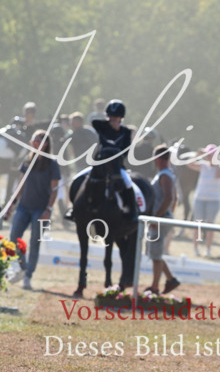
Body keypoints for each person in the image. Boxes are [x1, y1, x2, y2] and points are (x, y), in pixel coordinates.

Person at [8, 130, 60, 290]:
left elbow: (55, 189)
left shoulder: (52, 164)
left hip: (41, 209)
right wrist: (12, 202)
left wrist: (48, 209)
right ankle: (23, 268)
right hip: (24, 206)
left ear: (46, 144)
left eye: (39, 140)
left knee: (34, 242)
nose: (36, 143)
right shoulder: (27, 161)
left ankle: (28, 276)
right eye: (34, 140)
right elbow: (21, 184)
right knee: (14, 238)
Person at [71, 99, 139, 221]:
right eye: (111, 118)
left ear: (121, 118)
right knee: (79, 180)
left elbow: (126, 152)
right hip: (99, 164)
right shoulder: (102, 127)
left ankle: (131, 209)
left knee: (128, 183)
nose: (113, 121)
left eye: (116, 118)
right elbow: (94, 122)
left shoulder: (125, 132)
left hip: (116, 167)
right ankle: (75, 208)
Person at [147, 144, 180, 295]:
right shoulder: (166, 173)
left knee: (156, 254)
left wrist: (156, 217)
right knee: (155, 253)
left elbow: (168, 198)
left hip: (160, 219)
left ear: (159, 159)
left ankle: (155, 287)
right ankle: (170, 279)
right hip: (162, 218)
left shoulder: (165, 175)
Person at [190, 143, 220, 258]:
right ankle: (196, 248)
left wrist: (215, 162)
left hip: (213, 200)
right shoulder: (203, 165)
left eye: (210, 155)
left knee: (210, 225)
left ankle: (208, 249)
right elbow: (189, 164)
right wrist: (197, 154)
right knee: (198, 225)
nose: (208, 157)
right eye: (208, 155)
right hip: (199, 199)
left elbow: (218, 175)